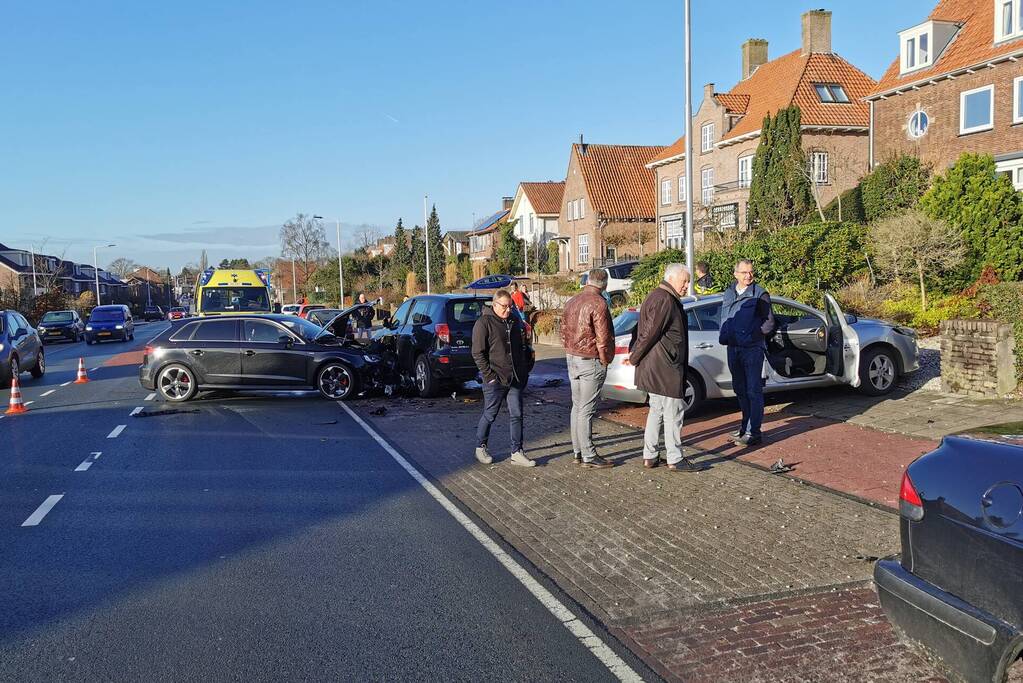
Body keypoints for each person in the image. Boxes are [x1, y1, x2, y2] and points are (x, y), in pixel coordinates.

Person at [625, 264, 701, 472]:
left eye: (688, 281)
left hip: (657, 366)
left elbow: (640, 330)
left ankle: (650, 455)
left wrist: (636, 355)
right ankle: (675, 458)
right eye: (684, 281)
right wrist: (634, 357)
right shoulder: (665, 300)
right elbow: (649, 332)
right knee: (673, 413)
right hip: (665, 368)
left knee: (656, 411)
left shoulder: (657, 296)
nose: (687, 286)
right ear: (671, 278)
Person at [471, 289, 535, 467]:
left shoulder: (514, 320)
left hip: (515, 377)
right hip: (495, 378)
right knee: (490, 414)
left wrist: (523, 371)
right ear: (495, 304)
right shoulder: (484, 323)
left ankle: (517, 452)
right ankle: (480, 447)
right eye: (504, 306)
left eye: (510, 306)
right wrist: (489, 376)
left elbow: (521, 347)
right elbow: (477, 353)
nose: (508, 310)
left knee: (517, 414)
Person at [561, 267, 615, 469]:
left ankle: (577, 451)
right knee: (586, 409)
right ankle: (589, 455)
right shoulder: (599, 303)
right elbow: (603, 338)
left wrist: (569, 350)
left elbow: (563, 331)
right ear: (605, 284)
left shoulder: (571, 301)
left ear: (587, 281)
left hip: (572, 357)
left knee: (577, 406)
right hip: (590, 359)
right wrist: (605, 359)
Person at [719, 259, 775, 447]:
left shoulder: (760, 294)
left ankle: (754, 432)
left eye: (751, 272)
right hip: (733, 348)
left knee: (753, 390)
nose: (749, 276)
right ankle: (744, 427)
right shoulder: (729, 292)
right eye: (744, 272)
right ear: (736, 274)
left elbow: (769, 323)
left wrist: (753, 336)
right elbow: (725, 316)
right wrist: (724, 335)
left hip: (752, 350)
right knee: (740, 390)